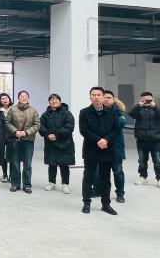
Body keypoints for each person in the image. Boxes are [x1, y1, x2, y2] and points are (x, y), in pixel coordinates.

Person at [79, 86, 119, 216]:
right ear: (90, 97)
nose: (96, 97)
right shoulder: (84, 112)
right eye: (93, 95)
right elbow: (83, 130)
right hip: (91, 149)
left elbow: (116, 130)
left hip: (107, 149)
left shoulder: (111, 112)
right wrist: (98, 140)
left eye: (99, 95)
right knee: (88, 177)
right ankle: (86, 203)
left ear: (103, 97)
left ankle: (106, 204)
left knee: (105, 178)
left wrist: (106, 140)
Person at [129, 91, 160, 190]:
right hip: (142, 140)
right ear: (141, 100)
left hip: (156, 140)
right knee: (142, 161)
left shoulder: (156, 109)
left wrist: (154, 106)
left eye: (149, 100)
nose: (147, 101)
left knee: (158, 161)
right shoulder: (139, 110)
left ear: (153, 99)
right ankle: (143, 177)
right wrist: (139, 105)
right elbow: (130, 114)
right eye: (144, 100)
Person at [6, 90, 40, 193]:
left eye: (26, 96)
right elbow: (7, 122)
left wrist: (26, 132)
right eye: (22, 96)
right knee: (15, 162)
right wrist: (15, 131)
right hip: (16, 139)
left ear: (28, 98)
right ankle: (15, 184)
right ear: (18, 98)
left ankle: (27, 185)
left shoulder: (33, 110)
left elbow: (37, 124)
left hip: (28, 140)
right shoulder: (12, 109)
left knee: (27, 163)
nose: (24, 98)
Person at [39, 94, 74, 193]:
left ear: (60, 101)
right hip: (50, 142)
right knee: (52, 163)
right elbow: (41, 126)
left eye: (56, 100)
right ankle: (51, 182)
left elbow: (69, 126)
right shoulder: (45, 114)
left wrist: (56, 135)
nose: (54, 101)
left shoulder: (66, 113)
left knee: (64, 164)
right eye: (51, 100)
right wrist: (47, 134)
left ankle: (65, 184)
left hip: (64, 142)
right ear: (49, 102)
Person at [104, 90, 128, 203]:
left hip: (115, 146)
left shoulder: (119, 112)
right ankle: (98, 190)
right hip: (101, 146)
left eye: (109, 97)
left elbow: (120, 124)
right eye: (104, 97)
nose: (106, 99)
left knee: (117, 171)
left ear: (113, 100)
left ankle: (120, 193)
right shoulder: (97, 111)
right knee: (100, 172)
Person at [0, 92, 14, 183]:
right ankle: (5, 174)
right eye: (2, 99)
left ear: (9, 99)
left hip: (13, 135)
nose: (5, 100)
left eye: (6, 98)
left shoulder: (14, 109)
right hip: (1, 136)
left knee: (13, 156)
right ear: (0, 101)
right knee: (3, 156)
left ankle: (12, 175)